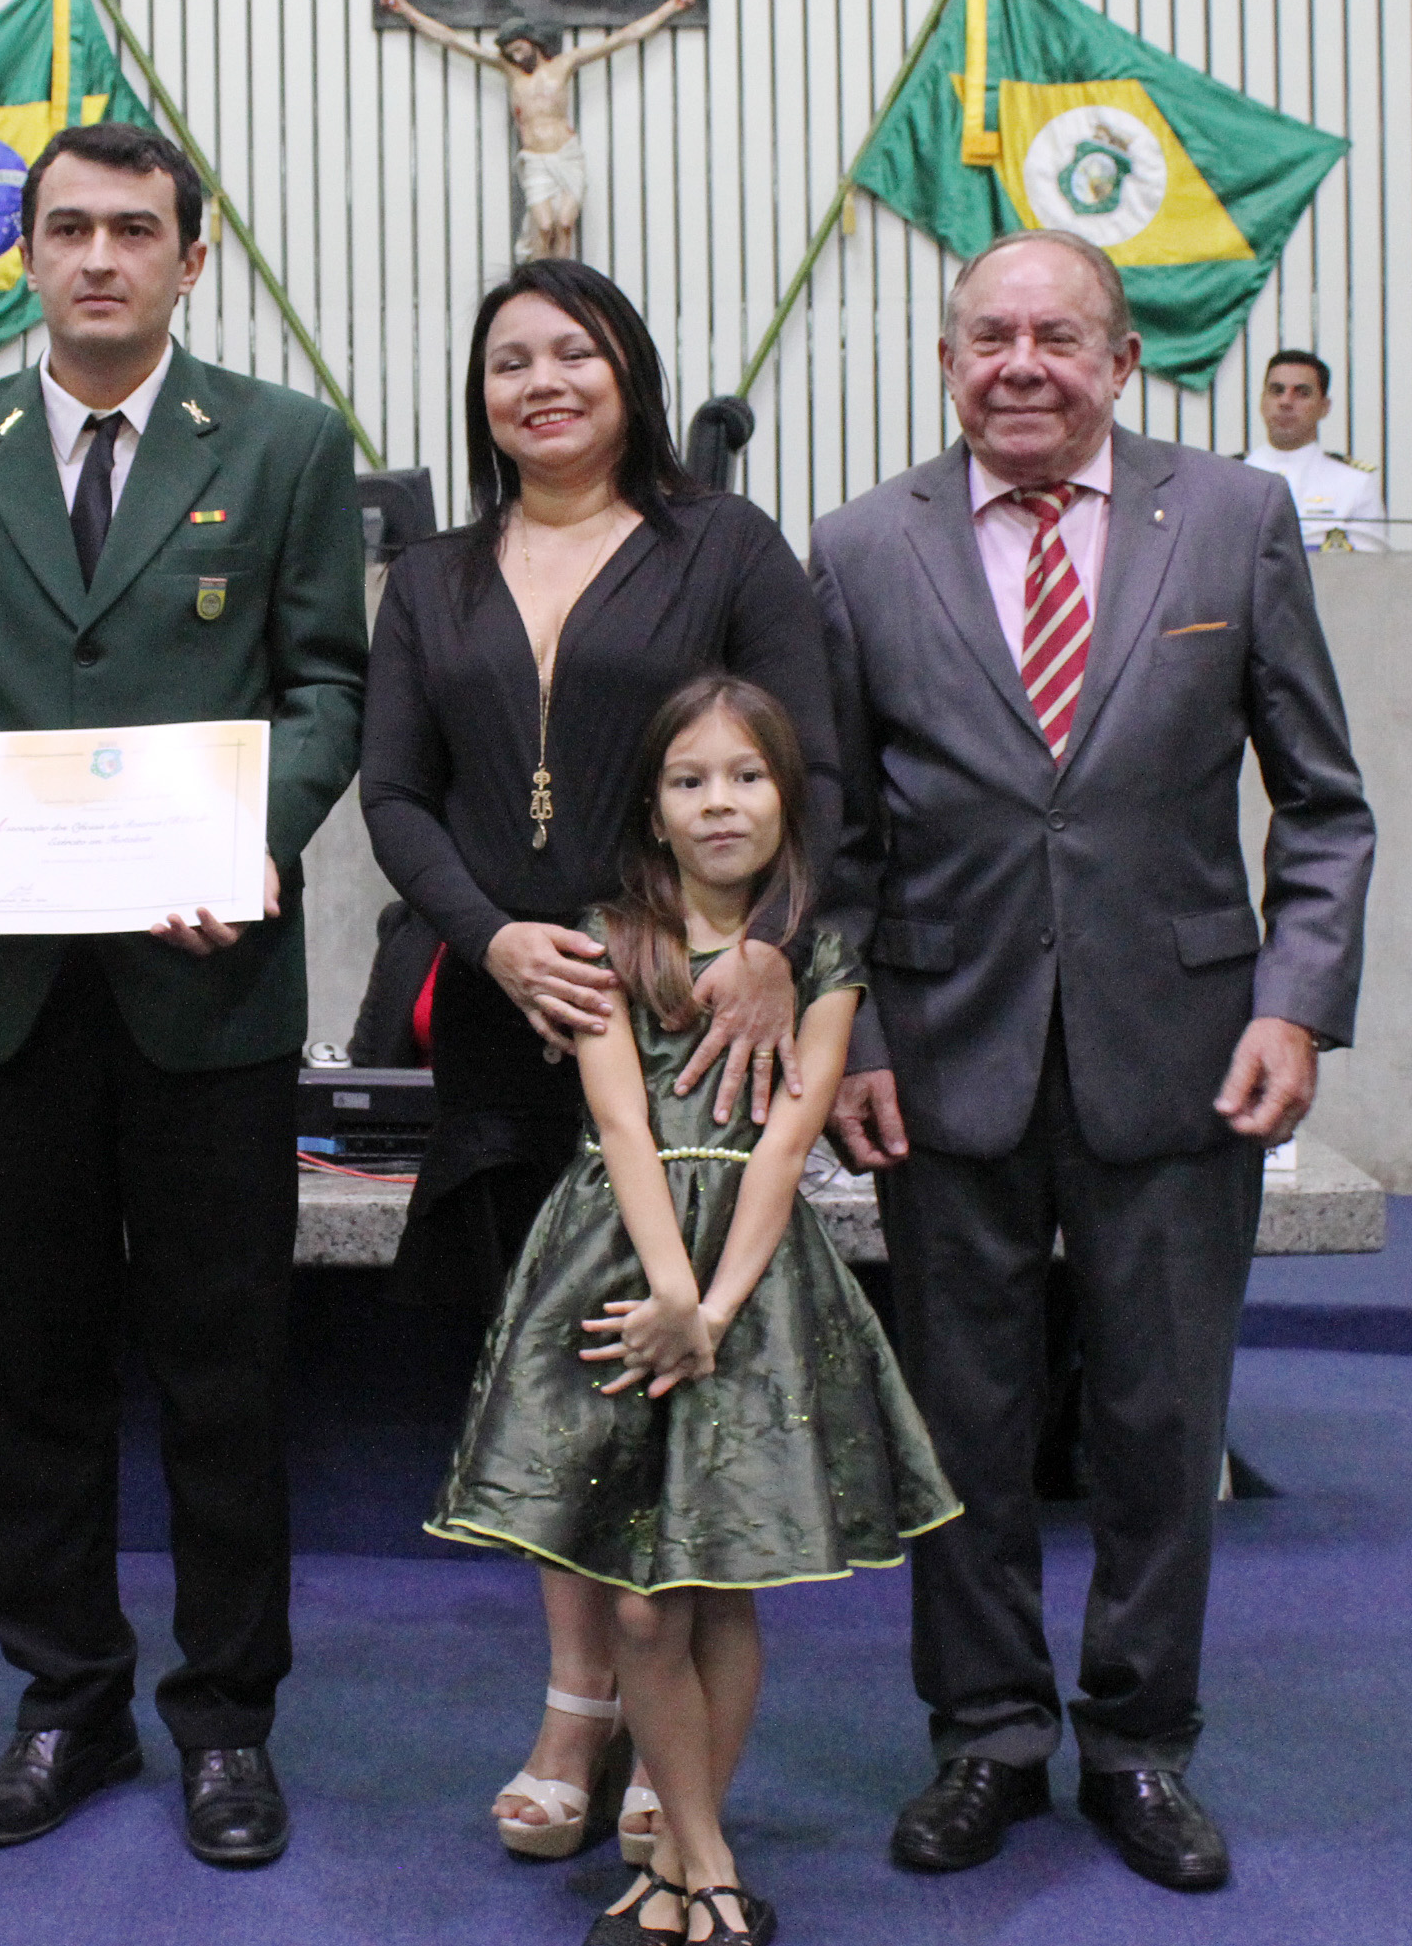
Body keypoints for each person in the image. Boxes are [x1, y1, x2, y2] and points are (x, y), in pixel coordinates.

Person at [811, 231, 1373, 1894]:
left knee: (1158, 1419)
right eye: (989, 336)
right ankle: (985, 1731)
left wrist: (1295, 1001)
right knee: (961, 1425)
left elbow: (1322, 802)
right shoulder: (860, 545)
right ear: (945, 361)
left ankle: (1139, 1740)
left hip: (1183, 1050)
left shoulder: (1235, 518)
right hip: (944, 1055)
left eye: (1059, 336)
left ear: (1122, 360)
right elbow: (832, 835)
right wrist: (862, 1028)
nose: (1022, 365)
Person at [0, 121, 368, 1867]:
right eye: (67, 226)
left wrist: (251, 839)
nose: (98, 256)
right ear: (26, 254)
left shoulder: (287, 443)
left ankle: (227, 1719)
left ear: (189, 258)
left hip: (207, 985)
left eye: (133, 229)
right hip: (9, 991)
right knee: (29, 1364)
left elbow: (327, 687)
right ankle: (65, 1698)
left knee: (228, 1367)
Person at [360, 256, 833, 1867]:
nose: (542, 382)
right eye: (510, 361)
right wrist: (490, 937)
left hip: (699, 1014)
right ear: (479, 396)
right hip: (515, 1011)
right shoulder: (431, 577)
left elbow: (819, 772)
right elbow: (396, 797)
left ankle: (670, 1716)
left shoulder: (728, 549)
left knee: (683, 1359)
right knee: (554, 1364)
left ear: (630, 370)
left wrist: (771, 945)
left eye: (575, 352)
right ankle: (577, 1700)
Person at [430, 675, 957, 1946]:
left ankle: (686, 1859)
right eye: (689, 781)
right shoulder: (609, 940)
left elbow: (786, 1142)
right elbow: (620, 1120)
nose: (720, 803)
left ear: (788, 799)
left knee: (718, 1584)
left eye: (747, 777)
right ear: (653, 810)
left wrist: (713, 1309)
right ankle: (702, 1853)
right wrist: (667, 1287)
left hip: (752, 1284)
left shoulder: (822, 955)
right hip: (621, 1265)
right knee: (637, 1597)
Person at [377, 0, 698, 260]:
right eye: (511, 53)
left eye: (519, 49)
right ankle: (540, 286)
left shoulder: (565, 64)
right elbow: (451, 40)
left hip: (566, 154)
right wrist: (405, 9)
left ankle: (562, 289)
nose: (517, 57)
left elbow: (623, 38)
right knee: (544, 227)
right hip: (535, 159)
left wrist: (670, 7)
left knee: (566, 225)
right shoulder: (510, 71)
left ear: (531, 41)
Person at [1238, 348, 1390, 552]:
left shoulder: (1355, 483)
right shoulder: (1229, 475)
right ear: (1262, 401)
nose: (1285, 402)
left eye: (1302, 393)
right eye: (1276, 391)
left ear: (1324, 407)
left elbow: (1370, 564)